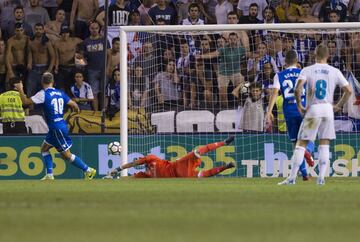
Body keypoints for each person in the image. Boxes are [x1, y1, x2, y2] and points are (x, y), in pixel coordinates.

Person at [278, 45, 352, 185]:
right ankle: (321, 179)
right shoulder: (334, 71)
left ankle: (292, 178)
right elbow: (348, 90)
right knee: (324, 144)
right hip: (327, 111)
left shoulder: (307, 70)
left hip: (313, 111)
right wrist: (338, 106)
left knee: (301, 144)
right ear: (328, 56)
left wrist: (300, 105)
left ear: (314, 55)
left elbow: (298, 89)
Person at [14, 72, 96, 180]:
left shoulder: (43, 94)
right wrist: (76, 109)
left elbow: (25, 102)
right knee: (44, 149)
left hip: (56, 128)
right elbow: (74, 104)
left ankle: (88, 170)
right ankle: (49, 175)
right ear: (52, 82)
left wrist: (20, 88)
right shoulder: (60, 93)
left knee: (66, 155)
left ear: (42, 82)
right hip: (58, 126)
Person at [266, 50, 315, 181]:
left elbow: (275, 93)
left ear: (285, 62)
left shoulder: (279, 75)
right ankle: (307, 150)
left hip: (289, 111)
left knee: (295, 143)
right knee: (311, 136)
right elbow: (311, 91)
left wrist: (269, 111)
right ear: (297, 61)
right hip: (303, 109)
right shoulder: (304, 73)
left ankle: (304, 174)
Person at [105, 136, 235, 178]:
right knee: (201, 172)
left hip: (179, 166)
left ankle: (224, 143)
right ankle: (224, 147)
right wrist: (114, 176)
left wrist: (117, 169)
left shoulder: (152, 159)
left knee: (197, 153)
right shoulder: (144, 176)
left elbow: (133, 164)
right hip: (182, 175)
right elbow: (208, 173)